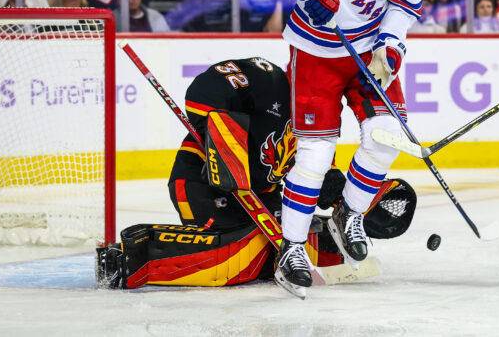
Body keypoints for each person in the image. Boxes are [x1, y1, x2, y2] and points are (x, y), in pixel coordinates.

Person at [96, 58, 417, 290]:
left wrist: (349, 207)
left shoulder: (320, 125)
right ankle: (133, 257)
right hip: (203, 183)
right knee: (239, 255)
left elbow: (321, 185)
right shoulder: (269, 81)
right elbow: (200, 93)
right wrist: (224, 138)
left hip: (260, 196)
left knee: (296, 244)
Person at [262, 0, 424, 296]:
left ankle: (348, 214)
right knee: (315, 156)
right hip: (315, 52)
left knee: (388, 133)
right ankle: (290, 247)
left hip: (367, 53)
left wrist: (391, 46)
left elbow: (405, 4)